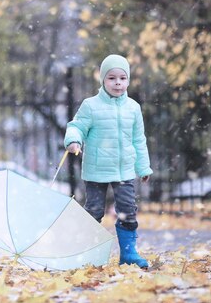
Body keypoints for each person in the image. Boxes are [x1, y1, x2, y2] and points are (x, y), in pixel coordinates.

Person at [64, 54, 153, 269]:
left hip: (124, 170)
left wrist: (143, 166)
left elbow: (138, 139)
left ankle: (129, 254)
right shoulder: (91, 106)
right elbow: (77, 126)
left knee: (128, 210)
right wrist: (74, 140)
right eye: (112, 78)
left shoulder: (133, 108)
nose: (117, 83)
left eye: (122, 78)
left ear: (128, 81)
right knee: (94, 211)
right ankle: (85, 253)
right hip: (96, 170)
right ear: (103, 80)